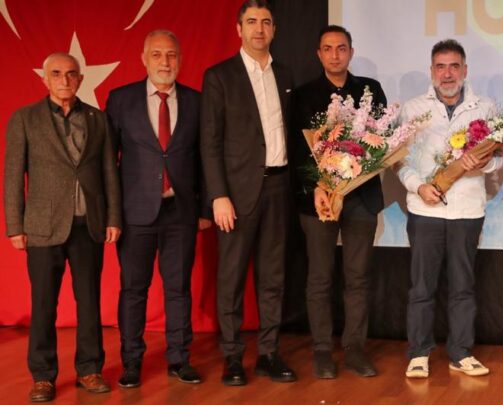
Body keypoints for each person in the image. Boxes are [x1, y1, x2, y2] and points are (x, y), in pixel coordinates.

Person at [4, 52, 122, 402]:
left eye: (71, 74)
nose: (64, 80)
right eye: (56, 74)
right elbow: (13, 175)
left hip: (90, 224)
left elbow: (110, 171)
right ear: (45, 79)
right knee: (43, 304)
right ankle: (43, 376)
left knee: (89, 301)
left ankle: (89, 369)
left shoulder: (98, 119)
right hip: (42, 226)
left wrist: (113, 217)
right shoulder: (24, 118)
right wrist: (14, 225)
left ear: (80, 79)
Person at [105, 29, 211, 388]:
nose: (165, 62)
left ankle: (179, 359)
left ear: (180, 59)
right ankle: (131, 362)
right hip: (135, 213)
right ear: (143, 58)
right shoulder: (121, 99)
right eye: (157, 55)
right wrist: (112, 214)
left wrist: (205, 208)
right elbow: (108, 162)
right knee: (133, 290)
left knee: (178, 289)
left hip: (181, 212)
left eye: (171, 55)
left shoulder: (196, 101)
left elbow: (205, 158)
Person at [200, 0, 296, 385]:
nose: (259, 29)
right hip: (236, 195)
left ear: (274, 29)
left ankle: (269, 354)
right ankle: (232, 357)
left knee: (273, 277)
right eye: (252, 22)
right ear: (238, 29)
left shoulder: (284, 73)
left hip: (279, 186)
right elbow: (209, 143)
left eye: (266, 22)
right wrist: (218, 195)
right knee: (232, 277)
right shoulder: (219, 76)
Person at [396, 39, 501, 379]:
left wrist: (482, 164)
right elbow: (399, 162)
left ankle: (461, 353)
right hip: (424, 210)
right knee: (421, 287)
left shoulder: (485, 107)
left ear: (465, 70)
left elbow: (500, 158)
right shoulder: (413, 109)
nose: (447, 73)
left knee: (463, 287)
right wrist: (418, 186)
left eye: (454, 66)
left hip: (467, 211)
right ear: (431, 71)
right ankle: (419, 353)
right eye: (440, 67)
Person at [290, 25, 386, 379]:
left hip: (361, 197)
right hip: (319, 200)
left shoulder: (369, 90)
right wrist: (318, 186)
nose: (335, 55)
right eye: (328, 48)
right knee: (319, 277)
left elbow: (382, 142)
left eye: (341, 48)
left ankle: (355, 348)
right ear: (319, 54)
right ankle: (321, 350)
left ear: (351, 52)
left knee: (357, 277)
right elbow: (298, 150)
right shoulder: (303, 95)